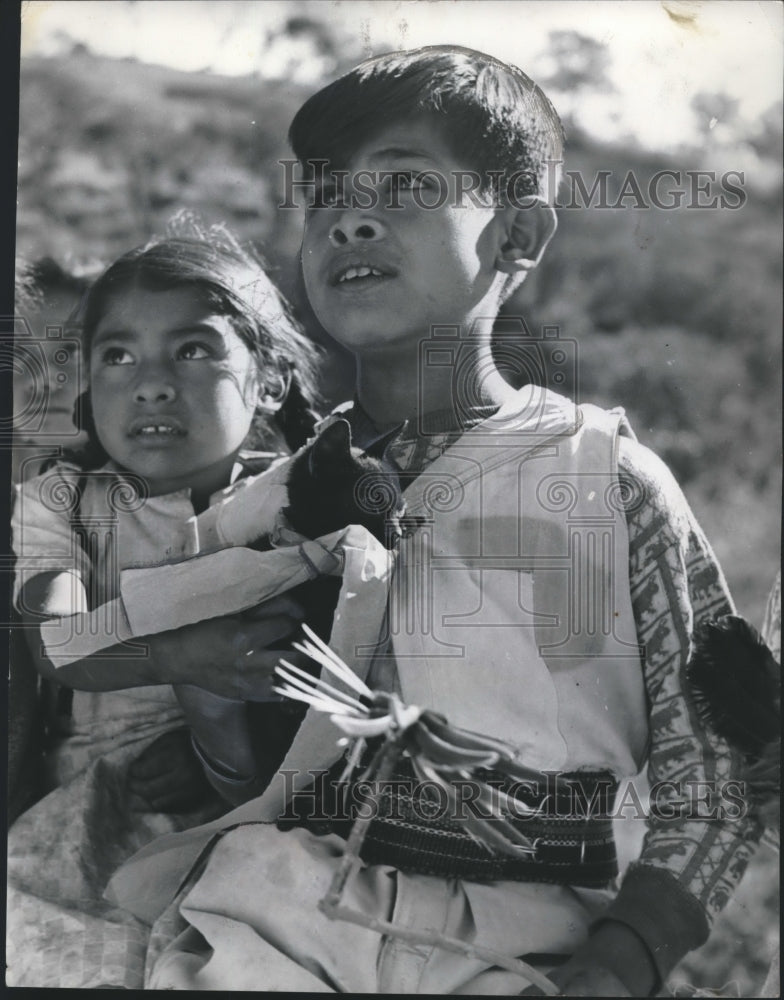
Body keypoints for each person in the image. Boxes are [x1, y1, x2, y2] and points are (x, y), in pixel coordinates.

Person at [108, 47, 762, 995]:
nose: (350, 217)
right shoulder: (269, 501)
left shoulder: (608, 480)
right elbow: (242, 761)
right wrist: (209, 724)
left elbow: (714, 783)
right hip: (273, 922)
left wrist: (620, 966)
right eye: (325, 192)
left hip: (528, 945)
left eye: (409, 185)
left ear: (518, 236)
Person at [6, 228, 322, 988]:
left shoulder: (298, 502)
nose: (150, 384)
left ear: (271, 381)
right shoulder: (63, 503)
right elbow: (57, 643)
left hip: (266, 804)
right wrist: (180, 659)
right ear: (87, 390)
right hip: (98, 799)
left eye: (192, 351)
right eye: (118, 357)